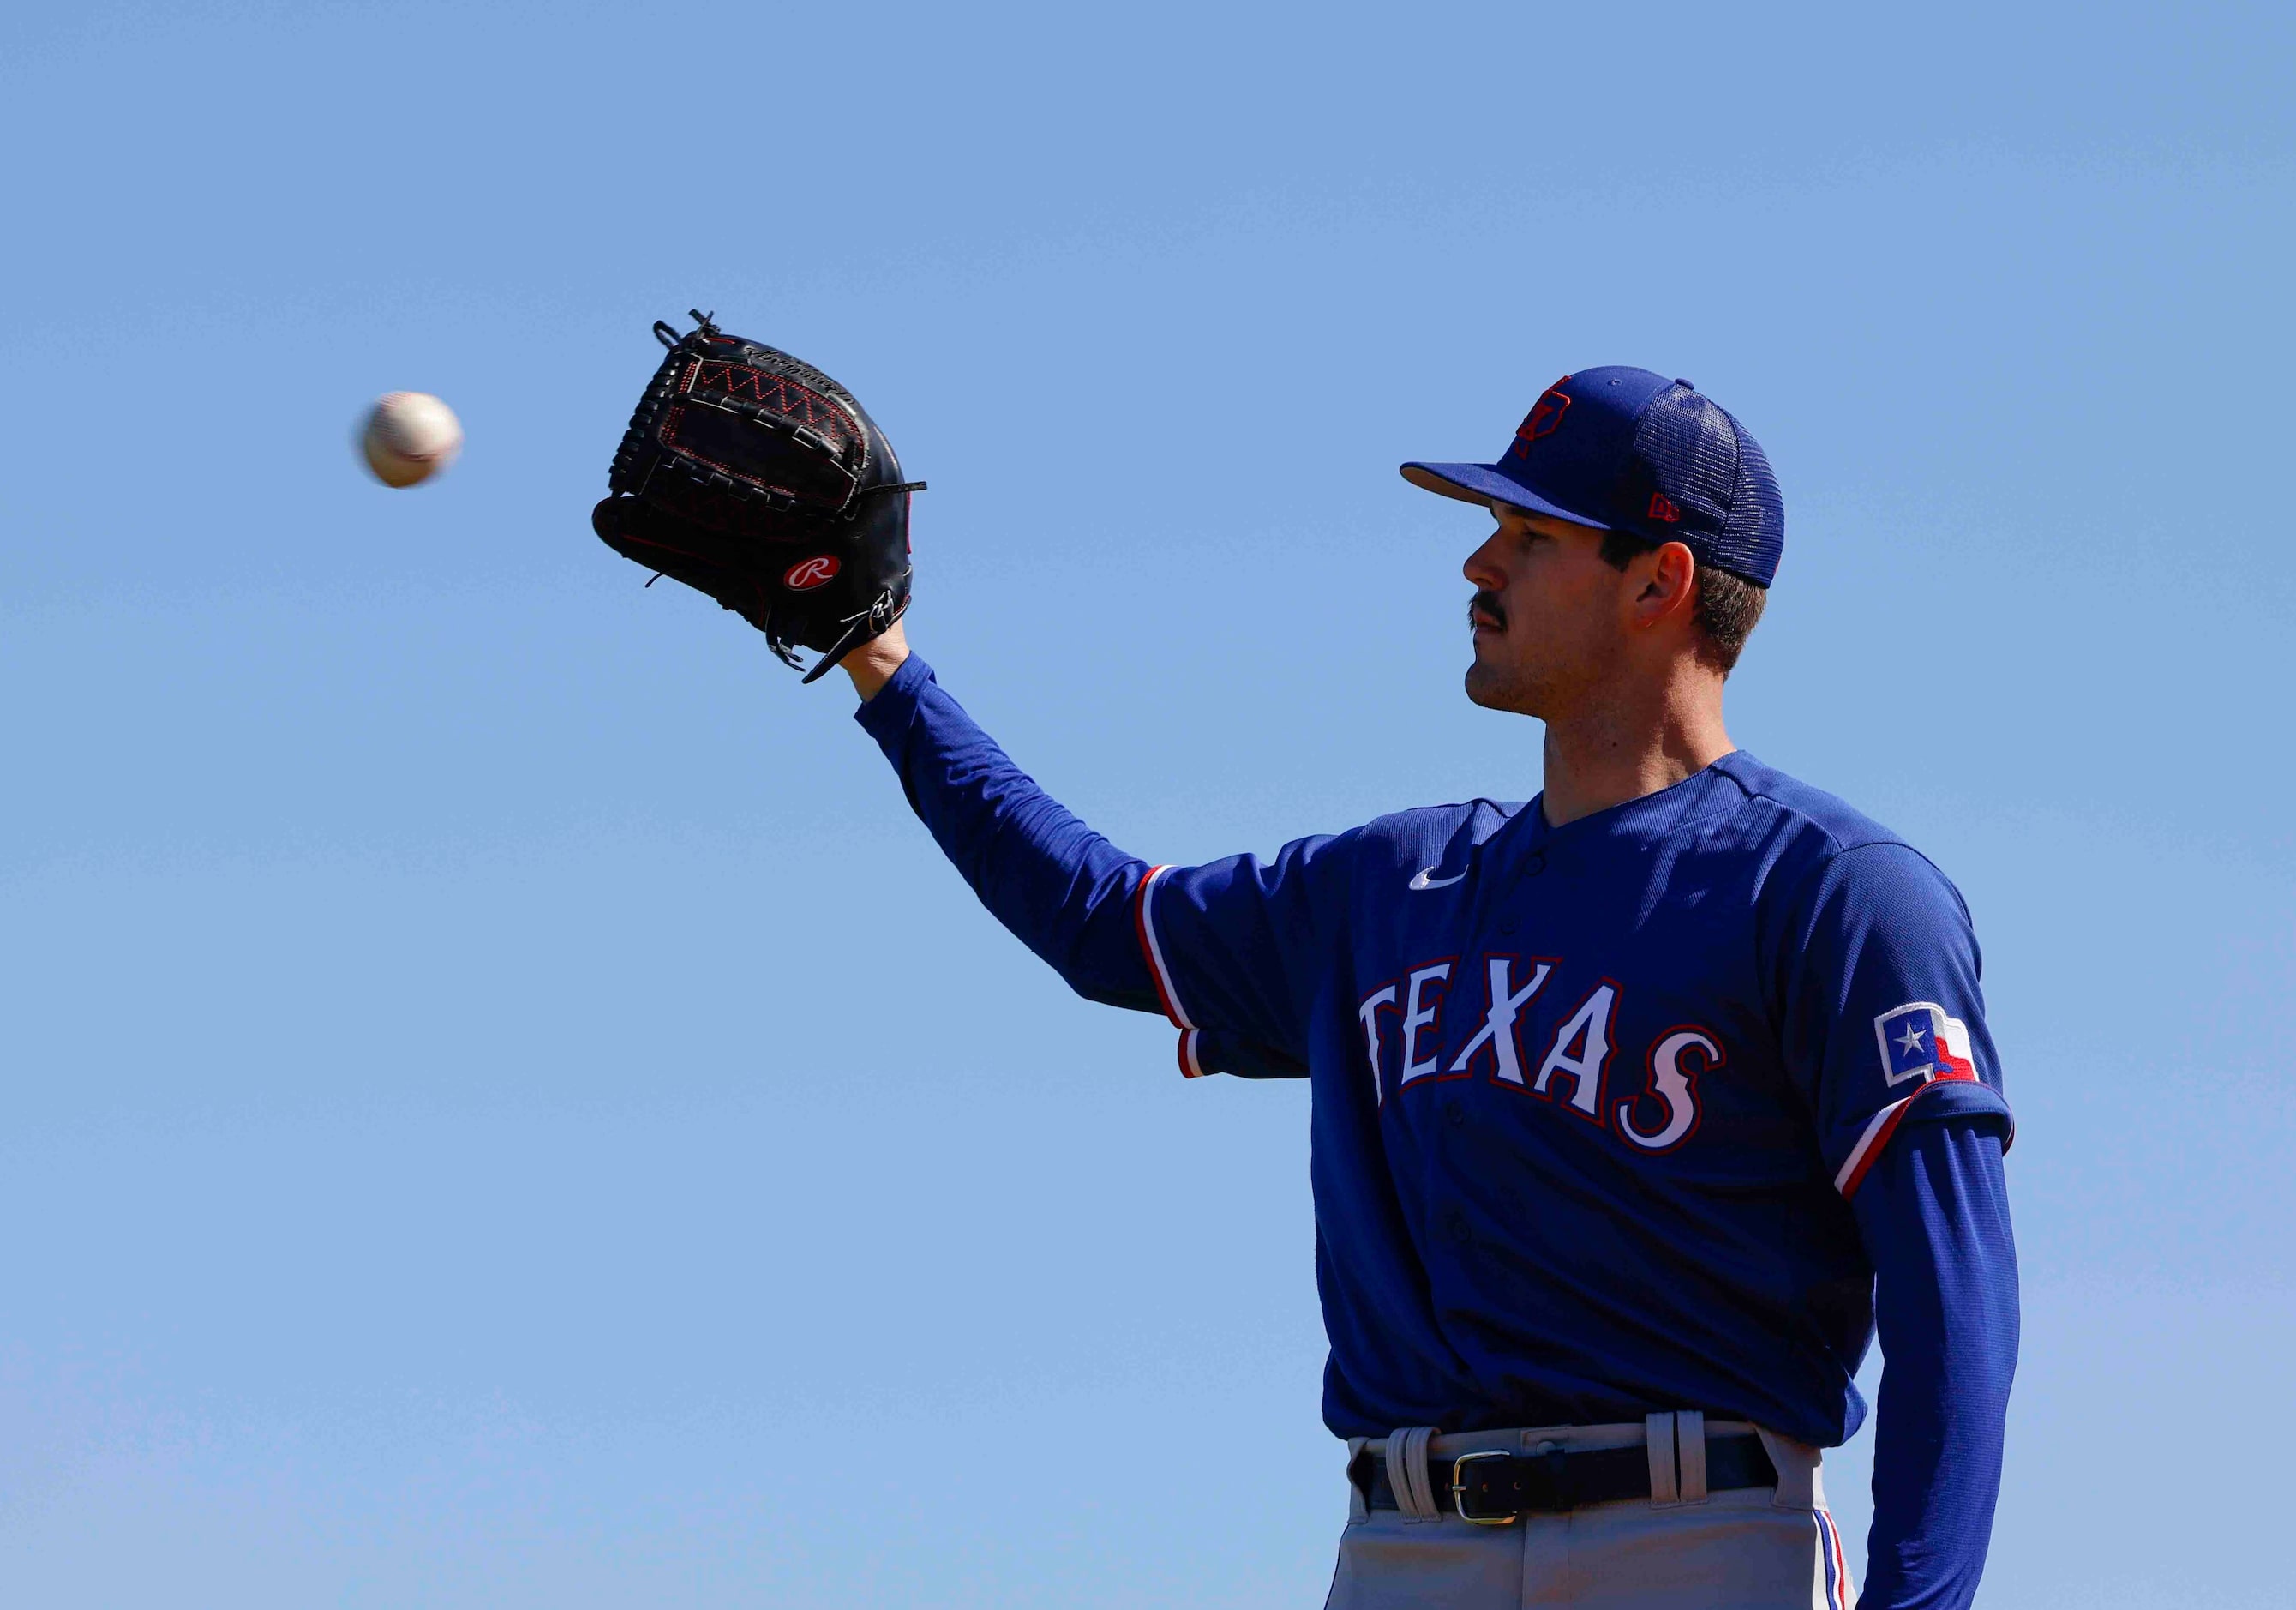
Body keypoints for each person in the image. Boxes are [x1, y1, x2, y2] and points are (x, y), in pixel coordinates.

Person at [834, 369, 2017, 1609]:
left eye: (1529, 536)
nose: (1478, 564)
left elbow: (1955, 1306)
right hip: (1405, 1545)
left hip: (1700, 1545)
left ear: (1658, 583)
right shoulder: (1392, 885)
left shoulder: (1836, 892)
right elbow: (1102, 921)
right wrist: (885, 663)